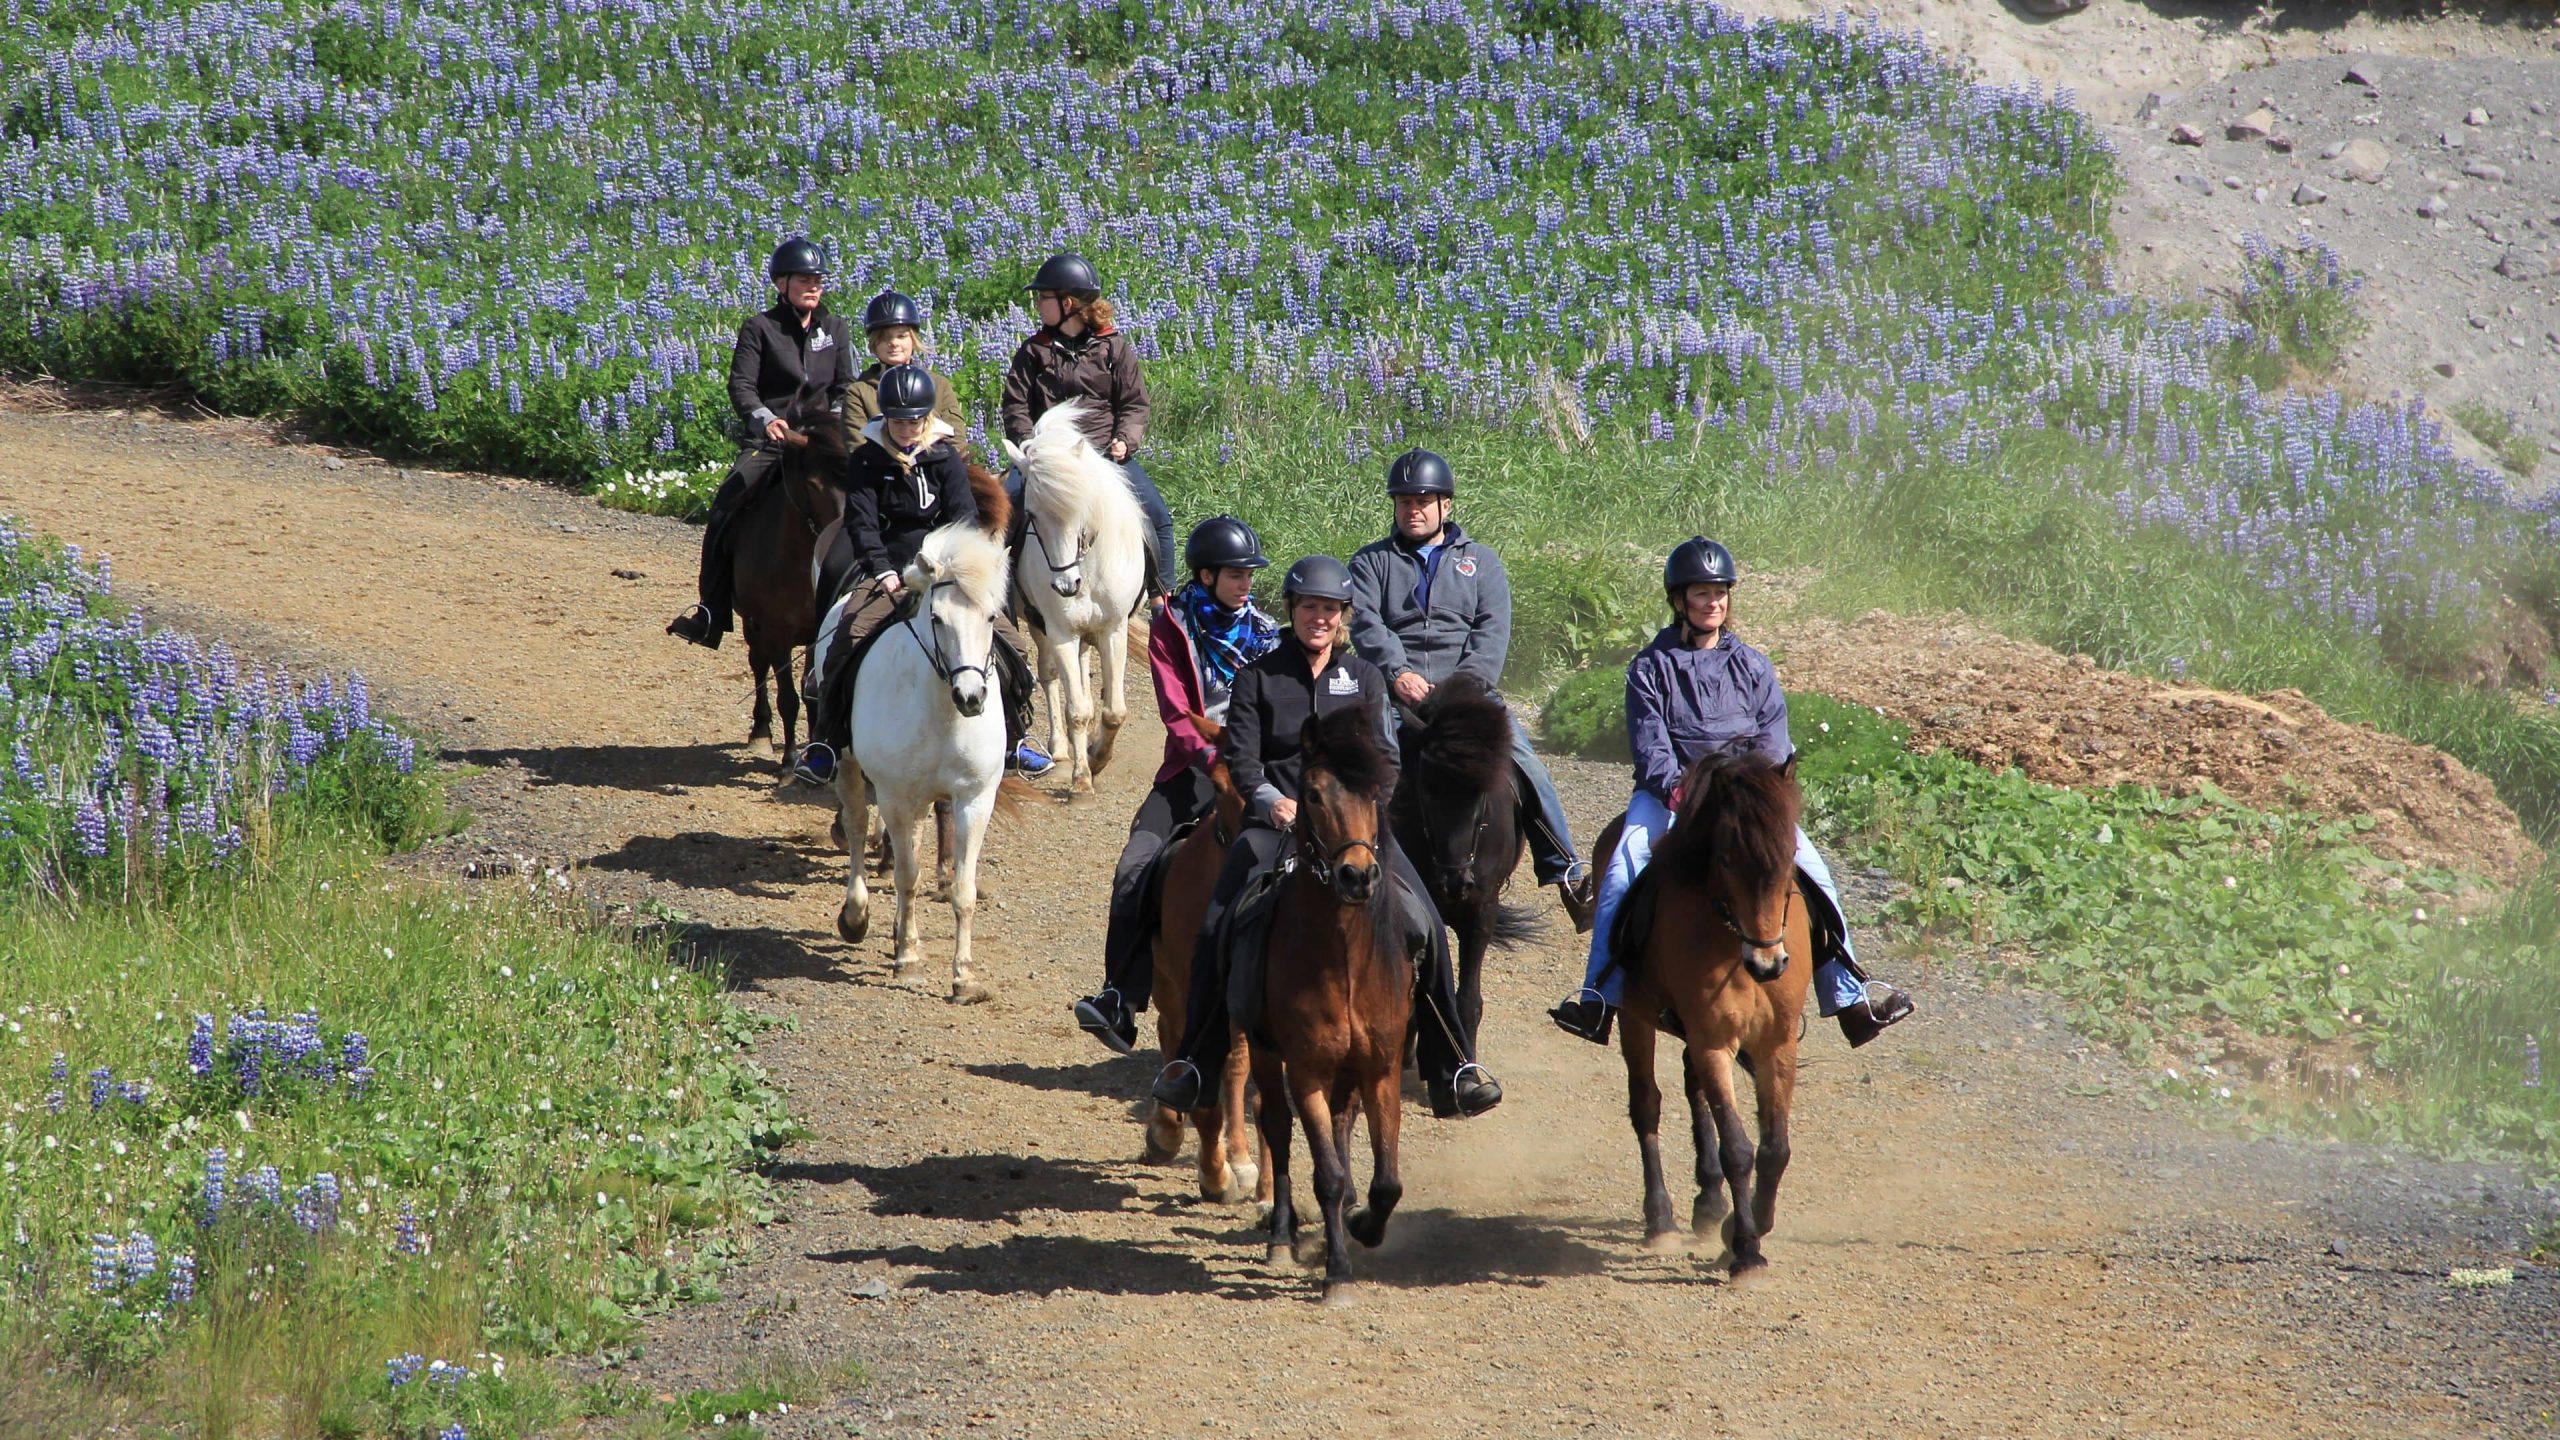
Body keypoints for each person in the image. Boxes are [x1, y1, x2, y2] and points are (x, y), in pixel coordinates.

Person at [1147, 555, 1503, 1121]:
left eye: (1331, 610)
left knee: (1427, 922)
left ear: (1343, 617)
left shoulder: (1363, 679)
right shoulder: (1258, 677)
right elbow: (1242, 761)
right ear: (1291, 611)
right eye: (1310, 607)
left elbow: (1386, 758)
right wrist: (1272, 802)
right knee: (1215, 925)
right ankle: (1197, 1063)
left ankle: (1452, 1065)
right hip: (1278, 827)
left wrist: (1368, 813)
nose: (1320, 618)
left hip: (1350, 833)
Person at [1548, 538, 1915, 1048]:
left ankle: (1851, 996)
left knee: (1814, 871)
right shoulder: (1649, 668)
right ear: (1679, 600)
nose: (1713, 603)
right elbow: (1652, 751)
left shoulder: (1754, 666)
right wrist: (1687, 795)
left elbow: (1773, 743)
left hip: (1744, 804)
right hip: (1671, 799)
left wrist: (1755, 797)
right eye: (1702, 593)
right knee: (1622, 869)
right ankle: (1598, 997)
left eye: (1720, 593)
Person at [1348, 448, 1596, 930]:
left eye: (1423, 499)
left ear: (1446, 505)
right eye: (1403, 501)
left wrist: (1459, 688)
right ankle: (1365, 860)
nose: (1412, 508)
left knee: (1526, 764)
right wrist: (1398, 672)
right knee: (1375, 757)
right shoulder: (1370, 563)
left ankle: (1564, 869)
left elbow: (1491, 632)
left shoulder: (1481, 563)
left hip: (1464, 692)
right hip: (1395, 691)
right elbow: (1366, 625)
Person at [1071, 517, 1282, 1053]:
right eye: (1236, 574)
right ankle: (1121, 994)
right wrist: (1220, 762)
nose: (1246, 583)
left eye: (1250, 574)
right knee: (1134, 868)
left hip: (1267, 770)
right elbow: (1178, 713)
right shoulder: (1172, 625)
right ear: (1206, 575)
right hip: (1196, 769)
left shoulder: (1267, 630)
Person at [795, 365, 1036, 787]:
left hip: (942, 569)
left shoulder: (943, 457)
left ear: (928, 418)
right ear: (885, 417)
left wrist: (957, 565)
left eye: (916, 420)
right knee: (848, 636)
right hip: (889, 565)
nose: (908, 429)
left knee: (1011, 644)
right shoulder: (867, 460)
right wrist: (883, 571)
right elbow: (862, 524)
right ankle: (826, 742)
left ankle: (1017, 739)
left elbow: (964, 518)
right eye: (900, 420)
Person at [668, 238, 856, 649]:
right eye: (805, 279)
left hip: (821, 444)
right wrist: (767, 419)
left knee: (867, 496)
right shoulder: (760, 328)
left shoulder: (835, 328)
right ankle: (711, 611)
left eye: (818, 279)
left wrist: (836, 422)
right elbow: (742, 386)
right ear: (781, 283)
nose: (814, 285)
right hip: (771, 442)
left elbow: (845, 387)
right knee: (725, 504)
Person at [1000, 252, 1180, 595]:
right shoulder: (1033, 352)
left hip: (1103, 454)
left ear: (1067, 303)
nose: (1038, 305)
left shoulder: (1114, 348)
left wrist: (1125, 440)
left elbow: (1133, 403)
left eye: (1043, 298)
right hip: (1048, 457)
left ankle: (1162, 599)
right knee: (1002, 518)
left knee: (1158, 518)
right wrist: (1027, 445)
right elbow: (1016, 405)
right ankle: (1005, 606)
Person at [845, 290, 968, 442]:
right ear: (873, 343)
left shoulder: (939, 385)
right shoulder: (859, 392)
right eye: (884, 337)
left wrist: (927, 461)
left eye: (902, 336)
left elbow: (956, 439)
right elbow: (858, 446)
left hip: (935, 463)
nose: (894, 343)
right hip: (879, 465)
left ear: (913, 339)